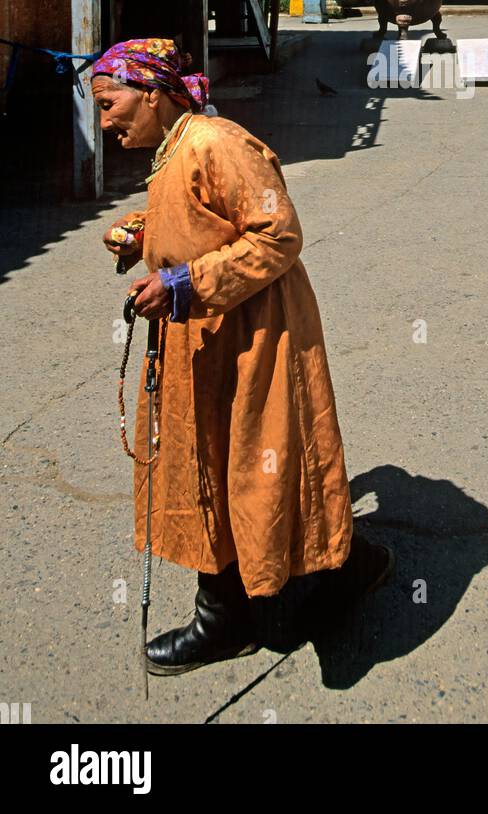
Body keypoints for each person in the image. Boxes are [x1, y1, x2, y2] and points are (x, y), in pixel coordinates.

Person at [92, 38, 393, 676]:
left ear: (152, 94)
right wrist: (145, 232)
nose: (104, 119)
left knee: (263, 465)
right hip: (201, 334)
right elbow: (201, 214)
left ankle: (328, 574)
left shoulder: (217, 142)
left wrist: (185, 283)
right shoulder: (176, 147)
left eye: (110, 103)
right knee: (208, 463)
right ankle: (236, 607)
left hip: (255, 334)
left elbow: (278, 234)